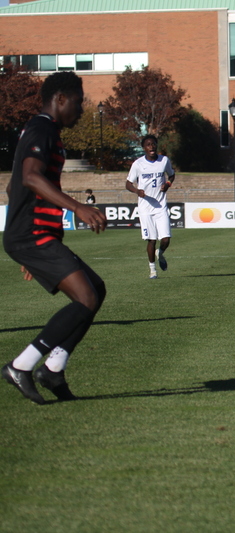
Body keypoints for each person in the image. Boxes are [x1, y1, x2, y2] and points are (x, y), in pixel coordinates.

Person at [2, 71, 108, 405]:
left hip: (32, 235)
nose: (81, 107)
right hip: (29, 234)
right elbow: (30, 177)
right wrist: (78, 207)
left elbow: (13, 186)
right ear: (60, 99)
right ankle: (22, 366)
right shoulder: (42, 128)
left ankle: (54, 369)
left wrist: (31, 251)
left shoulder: (47, 130)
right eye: (78, 101)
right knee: (86, 298)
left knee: (97, 290)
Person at [126, 134, 176, 280]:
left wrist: (167, 184)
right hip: (145, 208)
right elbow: (128, 183)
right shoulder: (138, 164)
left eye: (153, 144)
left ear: (156, 146)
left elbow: (172, 175)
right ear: (144, 148)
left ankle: (160, 253)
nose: (151, 147)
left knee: (166, 239)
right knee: (152, 240)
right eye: (148, 144)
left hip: (160, 206)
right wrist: (137, 191)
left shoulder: (164, 160)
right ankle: (152, 270)